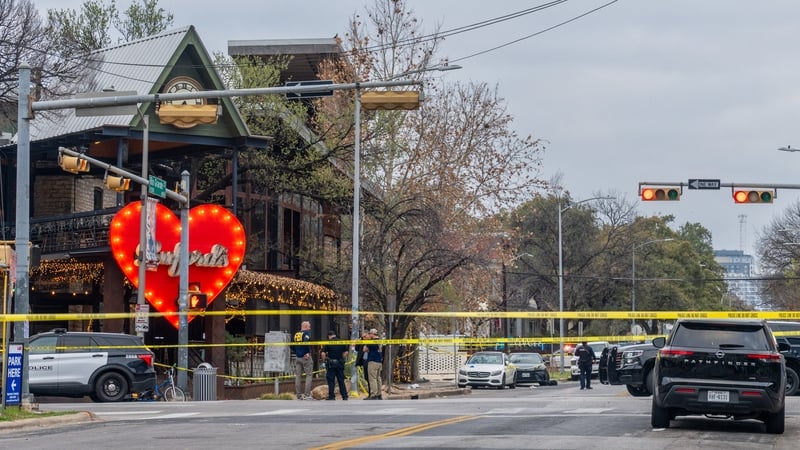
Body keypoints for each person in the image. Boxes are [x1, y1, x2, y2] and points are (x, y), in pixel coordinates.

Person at [321, 329, 349, 400]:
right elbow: (346, 352)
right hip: (339, 364)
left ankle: (331, 396)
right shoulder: (341, 342)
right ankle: (344, 396)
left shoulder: (328, 343)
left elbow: (323, 353)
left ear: (329, 336)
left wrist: (324, 360)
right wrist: (342, 358)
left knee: (331, 381)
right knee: (341, 380)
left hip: (331, 364)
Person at [293, 321, 314, 399]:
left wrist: (297, 352)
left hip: (298, 357)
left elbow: (292, 345)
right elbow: (306, 343)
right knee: (309, 375)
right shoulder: (307, 333)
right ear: (305, 326)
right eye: (309, 326)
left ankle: (298, 395)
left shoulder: (296, 334)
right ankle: (307, 394)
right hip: (305, 357)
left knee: (298, 376)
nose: (310, 328)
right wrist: (307, 352)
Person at [363, 328, 383, 400]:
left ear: (372, 334)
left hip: (373, 361)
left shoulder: (371, 341)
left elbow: (365, 349)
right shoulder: (379, 341)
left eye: (369, 334)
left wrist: (366, 341)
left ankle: (373, 394)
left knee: (372, 378)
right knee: (378, 378)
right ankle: (379, 394)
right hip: (379, 361)